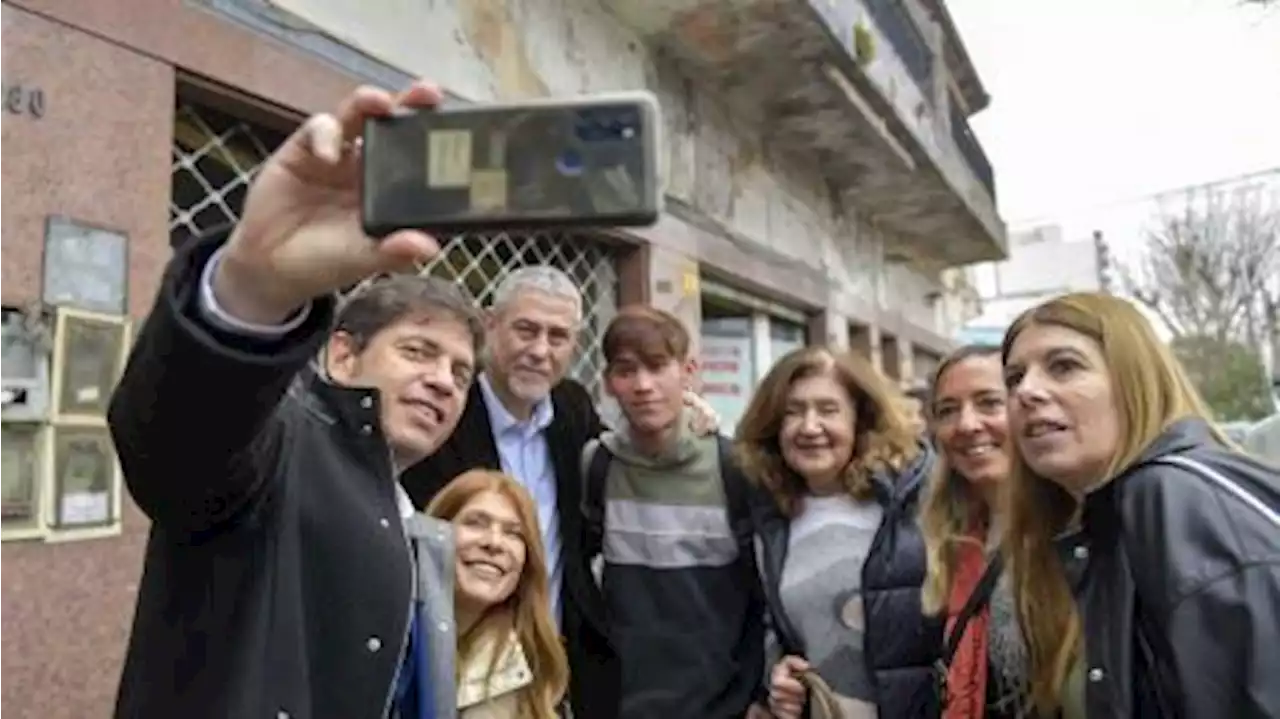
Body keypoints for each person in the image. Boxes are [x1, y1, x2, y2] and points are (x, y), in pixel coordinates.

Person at [108, 80, 472, 719]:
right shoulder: (280, 446)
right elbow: (178, 449)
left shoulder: (410, 516)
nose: (443, 379)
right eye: (417, 351)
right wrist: (252, 286)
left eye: (462, 372)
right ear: (341, 354)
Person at [401, 268, 718, 718]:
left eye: (557, 336)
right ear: (490, 323)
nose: (539, 351)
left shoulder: (572, 410)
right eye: (526, 330)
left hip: (560, 667)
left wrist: (682, 420)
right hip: (457, 664)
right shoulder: (443, 413)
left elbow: (629, 458)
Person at [1001, 292, 1280, 718]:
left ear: (1135, 379)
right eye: (1014, 378)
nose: (1028, 391)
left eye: (1064, 366)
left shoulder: (1177, 497)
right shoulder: (1089, 527)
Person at [579, 306, 766, 718]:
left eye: (658, 366)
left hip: (722, 705)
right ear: (609, 382)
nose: (644, 385)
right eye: (626, 371)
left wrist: (758, 693)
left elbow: (764, 596)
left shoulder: (734, 467)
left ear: (688, 371)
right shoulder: (598, 465)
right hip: (622, 702)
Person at [736, 347, 942, 719]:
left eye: (828, 410)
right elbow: (777, 631)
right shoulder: (770, 518)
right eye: (792, 412)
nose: (810, 427)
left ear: (859, 420)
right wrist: (778, 679)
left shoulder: (914, 499)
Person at [918, 345, 1028, 719]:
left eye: (988, 403)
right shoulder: (947, 536)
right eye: (947, 411)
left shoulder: (1071, 531)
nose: (966, 424)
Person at [426, 470, 570, 719]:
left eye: (513, 533)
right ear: (435, 532)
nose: (494, 543)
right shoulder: (387, 638)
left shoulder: (532, 673)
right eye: (475, 523)